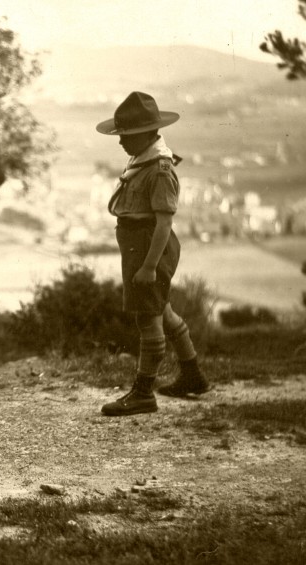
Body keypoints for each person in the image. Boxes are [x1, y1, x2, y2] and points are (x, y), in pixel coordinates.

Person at [96, 92, 210, 417]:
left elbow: (164, 224)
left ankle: (143, 394)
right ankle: (192, 375)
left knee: (148, 319)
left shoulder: (159, 169)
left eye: (127, 135)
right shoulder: (142, 159)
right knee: (163, 311)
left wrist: (148, 266)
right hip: (140, 246)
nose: (121, 142)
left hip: (148, 248)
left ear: (148, 133)